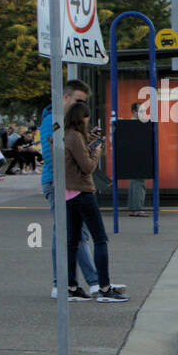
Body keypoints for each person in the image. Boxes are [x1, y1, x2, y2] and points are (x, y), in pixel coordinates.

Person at [40, 80, 119, 299]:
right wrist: (89, 154)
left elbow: (67, 152)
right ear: (65, 98)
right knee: (67, 235)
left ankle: (83, 283)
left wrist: (87, 144)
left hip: (67, 185)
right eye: (78, 101)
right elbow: (54, 157)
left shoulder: (64, 125)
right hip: (63, 185)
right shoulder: (53, 122)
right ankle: (69, 284)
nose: (82, 106)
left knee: (75, 235)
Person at [62, 103, 127, 303]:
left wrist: (88, 142)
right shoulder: (75, 137)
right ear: (81, 118)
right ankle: (105, 288)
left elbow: (75, 157)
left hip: (68, 194)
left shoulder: (66, 135)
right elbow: (88, 166)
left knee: (72, 242)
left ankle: (71, 286)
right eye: (86, 118)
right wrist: (97, 150)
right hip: (83, 193)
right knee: (100, 239)